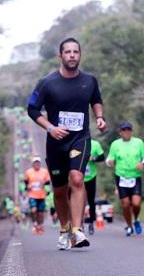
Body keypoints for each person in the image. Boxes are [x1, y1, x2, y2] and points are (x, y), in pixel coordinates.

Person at [27, 37, 106, 249]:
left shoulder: (89, 80)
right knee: (60, 190)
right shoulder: (47, 82)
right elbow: (32, 109)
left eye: (76, 52)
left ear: (80, 55)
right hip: (56, 142)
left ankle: (77, 230)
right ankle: (64, 228)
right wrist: (50, 128)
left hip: (80, 137)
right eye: (68, 52)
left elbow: (96, 100)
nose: (72, 55)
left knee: (77, 178)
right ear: (60, 56)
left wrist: (99, 117)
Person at [106, 121, 144, 236]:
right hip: (121, 177)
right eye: (124, 130)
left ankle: (136, 220)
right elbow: (109, 158)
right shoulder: (115, 144)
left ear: (132, 131)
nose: (127, 132)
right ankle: (129, 226)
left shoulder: (138, 142)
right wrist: (109, 162)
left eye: (129, 130)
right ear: (120, 132)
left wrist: (143, 164)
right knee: (125, 204)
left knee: (136, 203)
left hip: (135, 176)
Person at [24, 155, 51, 234]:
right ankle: (34, 224)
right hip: (32, 195)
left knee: (41, 213)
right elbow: (25, 182)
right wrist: (27, 186)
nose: (37, 164)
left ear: (40, 163)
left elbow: (48, 182)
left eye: (38, 163)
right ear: (33, 164)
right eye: (35, 163)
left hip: (41, 195)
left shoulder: (44, 171)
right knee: (33, 209)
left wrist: (44, 184)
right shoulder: (28, 172)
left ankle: (40, 225)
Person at [84, 139, 105, 235]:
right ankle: (78, 224)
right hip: (77, 177)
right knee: (78, 200)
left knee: (91, 201)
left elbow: (102, 157)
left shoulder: (95, 144)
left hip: (91, 176)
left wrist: (93, 159)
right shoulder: (75, 141)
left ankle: (91, 222)